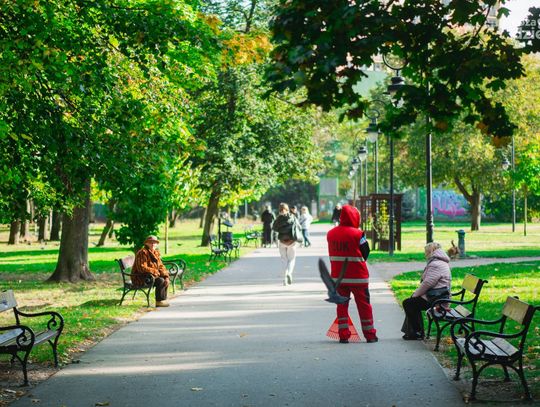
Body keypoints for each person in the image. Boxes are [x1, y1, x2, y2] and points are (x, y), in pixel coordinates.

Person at [327, 205, 378, 343]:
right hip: (358, 277)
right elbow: (366, 252)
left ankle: (343, 335)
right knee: (364, 306)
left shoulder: (330, 234)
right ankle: (370, 335)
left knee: (341, 306)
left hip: (338, 278)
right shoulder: (358, 234)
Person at [401, 242, 451, 340]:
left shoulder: (435, 264)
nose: (425, 254)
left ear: (430, 251)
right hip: (438, 295)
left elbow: (428, 283)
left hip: (436, 299)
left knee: (408, 303)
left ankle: (418, 332)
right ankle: (413, 332)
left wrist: (415, 294)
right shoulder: (440, 262)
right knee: (411, 303)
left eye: (426, 251)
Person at [132, 235, 170, 307]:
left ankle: (162, 299)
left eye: (154, 242)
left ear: (157, 244)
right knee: (160, 280)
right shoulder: (143, 252)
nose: (152, 244)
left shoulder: (155, 252)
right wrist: (156, 272)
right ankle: (159, 301)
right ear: (146, 243)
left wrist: (166, 276)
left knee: (165, 279)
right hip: (141, 277)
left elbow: (161, 266)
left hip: (151, 276)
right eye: (150, 242)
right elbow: (142, 268)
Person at [272, 203, 300, 286]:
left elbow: (274, 228)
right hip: (292, 241)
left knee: (284, 259)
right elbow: (299, 227)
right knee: (292, 259)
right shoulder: (292, 217)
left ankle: (284, 279)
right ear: (288, 209)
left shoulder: (278, 219)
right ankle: (289, 273)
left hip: (282, 241)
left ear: (279, 210)